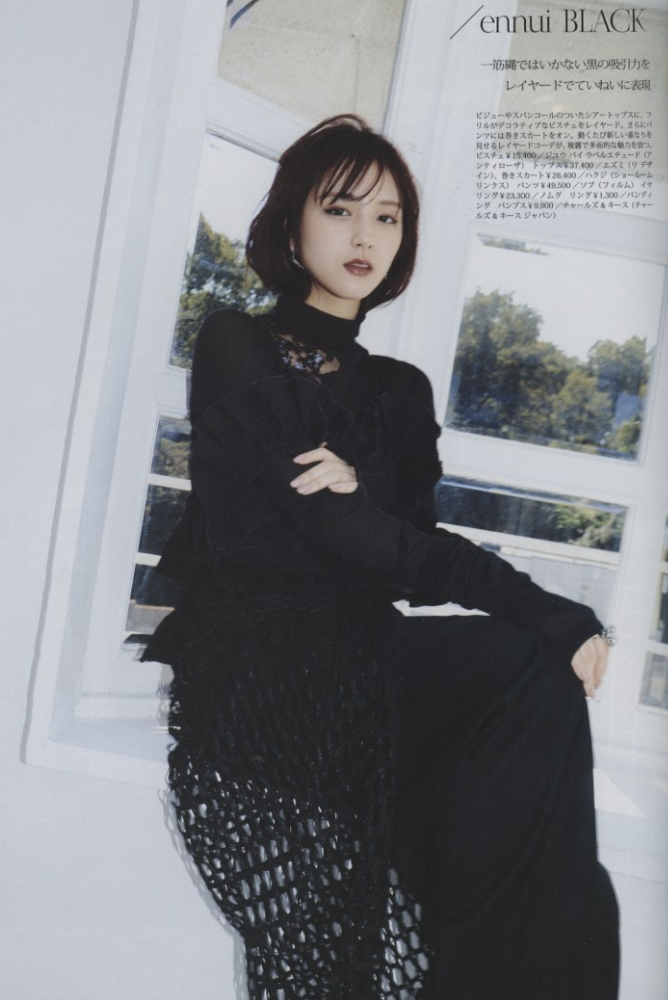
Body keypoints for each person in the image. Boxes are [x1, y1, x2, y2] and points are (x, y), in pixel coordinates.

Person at [142, 114, 619, 1000]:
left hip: (363, 653)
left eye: (388, 217)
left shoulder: (402, 389)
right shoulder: (237, 342)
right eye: (341, 209)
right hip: (265, 671)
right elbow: (348, 533)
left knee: (530, 685)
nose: (366, 235)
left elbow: (405, 553)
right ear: (292, 226)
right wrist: (544, 608)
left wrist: (358, 490)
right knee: (521, 660)